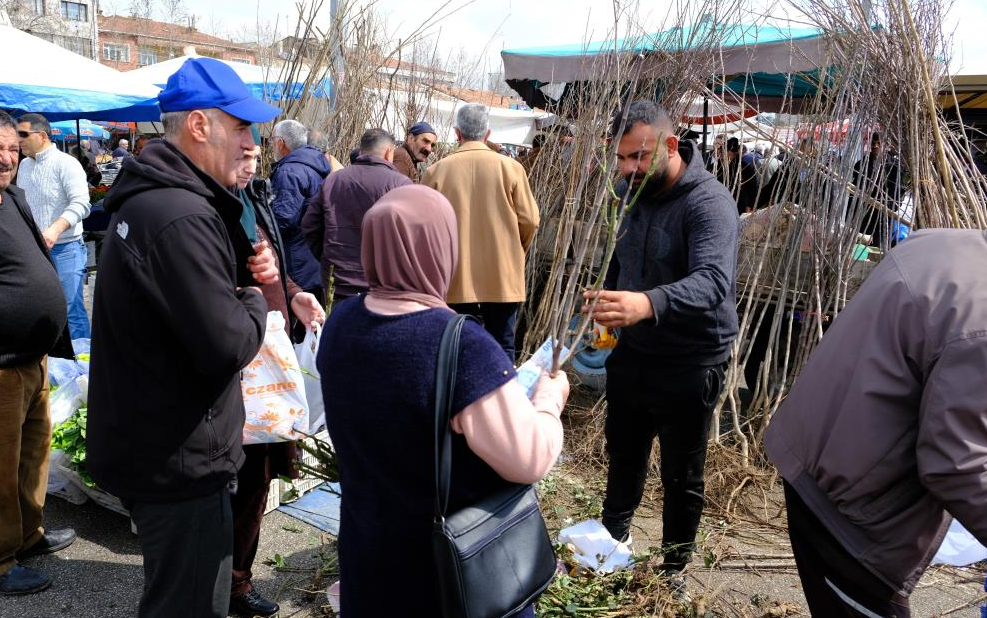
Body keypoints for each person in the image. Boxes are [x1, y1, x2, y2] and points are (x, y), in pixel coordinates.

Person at [86, 57, 281, 618]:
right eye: (241, 127)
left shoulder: (165, 200)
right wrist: (252, 295)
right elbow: (225, 343)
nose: (251, 143)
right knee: (190, 603)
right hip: (177, 456)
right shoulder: (179, 214)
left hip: (159, 439)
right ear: (199, 126)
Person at [318, 184, 570, 618]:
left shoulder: (342, 321)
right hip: (449, 573)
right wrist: (548, 400)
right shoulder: (460, 345)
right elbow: (529, 458)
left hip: (370, 558)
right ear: (441, 248)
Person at [764, 229, 987, 618]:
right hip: (850, 511)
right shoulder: (978, 326)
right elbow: (958, 465)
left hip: (815, 450)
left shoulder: (940, 243)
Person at [582, 100, 738, 600]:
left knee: (681, 472)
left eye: (638, 157)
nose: (627, 169)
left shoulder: (709, 203)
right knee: (623, 455)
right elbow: (618, 260)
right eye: (621, 159)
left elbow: (714, 281)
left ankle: (672, 573)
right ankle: (610, 547)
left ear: (671, 146)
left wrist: (645, 303)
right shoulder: (627, 194)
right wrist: (606, 297)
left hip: (692, 359)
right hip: (635, 352)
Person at [229, 145, 325, 617]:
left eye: (255, 152)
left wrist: (295, 295)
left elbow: (272, 271)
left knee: (257, 476)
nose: (251, 160)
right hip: (235, 368)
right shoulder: (206, 211)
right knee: (240, 477)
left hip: (265, 367)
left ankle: (235, 579)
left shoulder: (249, 201)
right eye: (241, 148)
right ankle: (228, 583)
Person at [0, 110, 77, 597]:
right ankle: (2, 561)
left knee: (34, 454)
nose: (6, 159)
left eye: (11, 148)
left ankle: (29, 536)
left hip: (33, 358)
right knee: (0, 467)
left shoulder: (11, 197)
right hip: (2, 365)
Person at [422, 104, 540, 360]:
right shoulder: (511, 168)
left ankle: (459, 397)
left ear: (457, 133)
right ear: (487, 134)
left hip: (454, 274)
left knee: (454, 345)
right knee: (502, 345)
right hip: (502, 273)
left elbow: (426, 226)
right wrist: (516, 249)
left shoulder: (436, 171)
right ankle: (502, 397)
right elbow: (530, 220)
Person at [302, 128, 412, 303]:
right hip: (383, 285)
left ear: (361, 152)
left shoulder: (333, 180)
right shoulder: (401, 184)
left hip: (338, 282)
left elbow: (310, 225)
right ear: (389, 152)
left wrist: (328, 257)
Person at [16, 113, 93, 340]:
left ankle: (82, 365)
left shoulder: (67, 163)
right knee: (42, 309)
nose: (18, 140)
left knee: (71, 309)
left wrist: (55, 229)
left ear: (41, 136)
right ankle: (54, 364)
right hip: (34, 251)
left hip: (66, 249)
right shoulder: (24, 166)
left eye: (23, 134)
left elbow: (81, 203)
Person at [270, 119, 332, 303]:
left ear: (281, 143)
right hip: (314, 260)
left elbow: (282, 219)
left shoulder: (290, 172)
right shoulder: (316, 166)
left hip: (295, 265)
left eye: (272, 140)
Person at [852, 132, 902, 248]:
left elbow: (897, 190)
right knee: (862, 245)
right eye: (873, 143)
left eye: (879, 143)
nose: (875, 146)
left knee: (880, 246)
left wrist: (890, 207)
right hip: (864, 210)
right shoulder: (862, 164)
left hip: (884, 212)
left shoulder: (893, 166)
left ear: (886, 145)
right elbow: (855, 187)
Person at [716, 136, 759, 214]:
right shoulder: (717, 166)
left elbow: (753, 189)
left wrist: (750, 205)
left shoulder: (745, 168)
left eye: (725, 152)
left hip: (739, 205)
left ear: (734, 153)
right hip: (719, 204)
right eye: (721, 152)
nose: (722, 155)